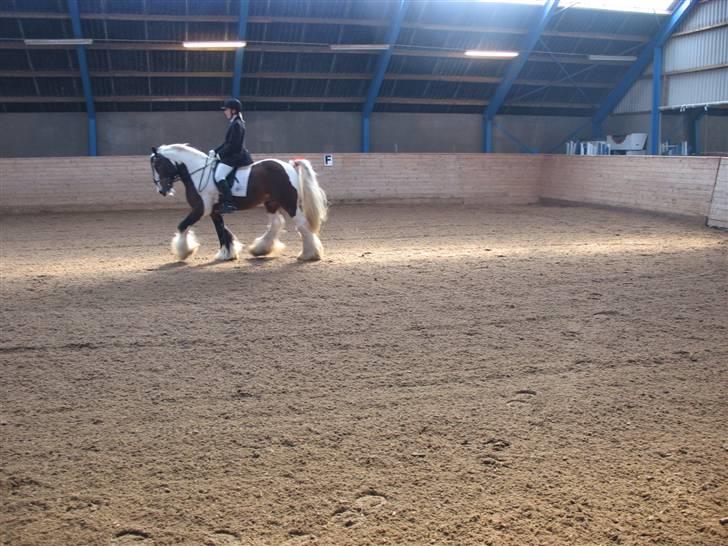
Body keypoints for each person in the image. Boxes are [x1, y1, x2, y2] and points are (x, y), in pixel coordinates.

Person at [209, 98, 254, 214]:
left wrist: (219, 155)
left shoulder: (237, 124)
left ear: (233, 111)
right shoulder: (235, 123)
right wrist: (215, 151)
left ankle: (229, 203)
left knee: (219, 176)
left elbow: (232, 145)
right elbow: (226, 142)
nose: (225, 112)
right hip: (232, 155)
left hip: (235, 156)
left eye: (227, 110)